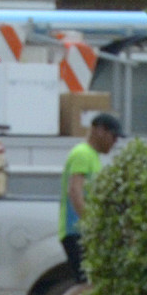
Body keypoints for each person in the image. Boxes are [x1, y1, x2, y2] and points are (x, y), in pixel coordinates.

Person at [59, 108, 119, 277]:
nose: (114, 142)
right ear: (99, 130)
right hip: (76, 231)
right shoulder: (83, 153)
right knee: (87, 284)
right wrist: (91, 225)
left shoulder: (93, 157)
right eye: (113, 136)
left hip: (82, 231)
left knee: (92, 283)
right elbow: (75, 191)